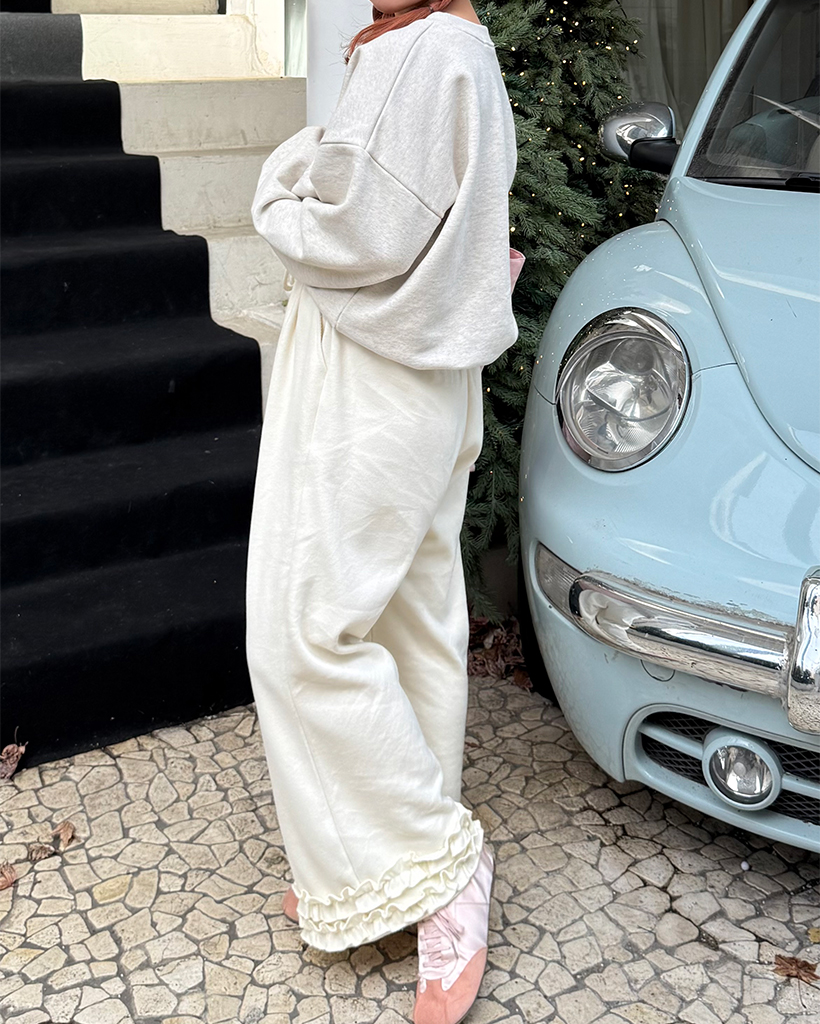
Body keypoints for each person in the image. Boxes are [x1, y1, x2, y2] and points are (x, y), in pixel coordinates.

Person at [245, 1, 520, 1021]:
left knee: (300, 629)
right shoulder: (449, 47)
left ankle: (438, 865)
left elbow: (357, 227)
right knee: (409, 616)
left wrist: (283, 175)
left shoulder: (426, 47)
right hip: (421, 372)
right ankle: (376, 874)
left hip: (371, 374)